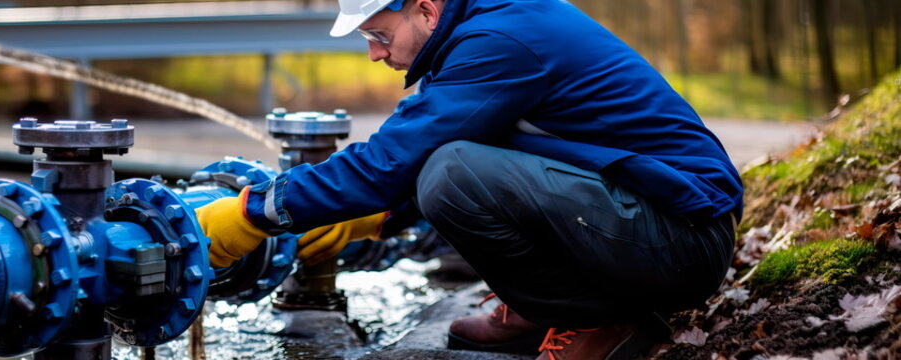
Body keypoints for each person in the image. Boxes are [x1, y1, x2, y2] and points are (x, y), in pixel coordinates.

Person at [195, 0, 742, 358]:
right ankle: (543, 307)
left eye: (378, 34)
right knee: (448, 164)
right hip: (652, 222)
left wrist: (252, 213)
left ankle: (600, 322)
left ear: (426, 9)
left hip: (682, 239)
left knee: (451, 175)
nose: (373, 53)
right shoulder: (492, 24)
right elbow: (460, 145)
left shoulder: (501, 40)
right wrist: (376, 218)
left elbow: (396, 159)